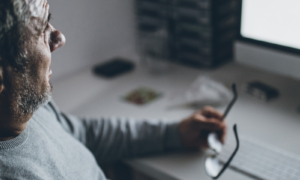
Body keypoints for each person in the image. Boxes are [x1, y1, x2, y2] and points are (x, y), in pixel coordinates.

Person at [0, 0, 227, 179]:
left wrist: (174, 134)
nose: (59, 37)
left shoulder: (24, 105)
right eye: (40, 28)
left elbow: (83, 135)